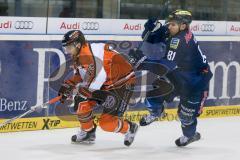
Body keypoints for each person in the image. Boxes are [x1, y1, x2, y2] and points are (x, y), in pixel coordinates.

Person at [138, 10, 213, 146]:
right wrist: (150, 30)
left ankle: (189, 136)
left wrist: (142, 61)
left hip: (195, 83)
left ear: (183, 26)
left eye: (172, 24)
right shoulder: (174, 32)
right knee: (156, 86)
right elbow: (151, 39)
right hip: (179, 76)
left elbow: (166, 65)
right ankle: (155, 112)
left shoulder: (179, 40)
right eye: (169, 23)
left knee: (185, 117)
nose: (169, 26)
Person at [58, 30, 139, 146]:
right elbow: (81, 75)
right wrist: (68, 85)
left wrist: (81, 94)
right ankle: (88, 133)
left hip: (122, 84)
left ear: (78, 44)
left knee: (107, 124)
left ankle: (129, 128)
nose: (67, 51)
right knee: (82, 105)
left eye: (69, 47)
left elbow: (99, 77)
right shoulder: (79, 54)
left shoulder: (89, 56)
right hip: (105, 83)